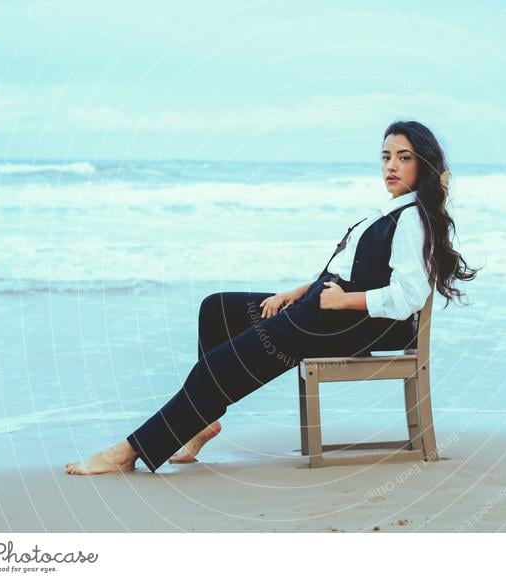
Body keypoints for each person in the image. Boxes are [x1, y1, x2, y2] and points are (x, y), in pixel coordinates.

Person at [65, 120, 479, 475]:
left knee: (222, 364)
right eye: (386, 156)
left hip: (356, 326)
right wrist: (297, 292)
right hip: (326, 308)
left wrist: (339, 303)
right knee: (218, 310)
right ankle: (201, 421)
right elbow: (349, 270)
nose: (390, 165)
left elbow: (408, 296)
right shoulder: (389, 210)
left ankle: (130, 451)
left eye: (403, 157)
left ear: (422, 165)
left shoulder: (412, 220)